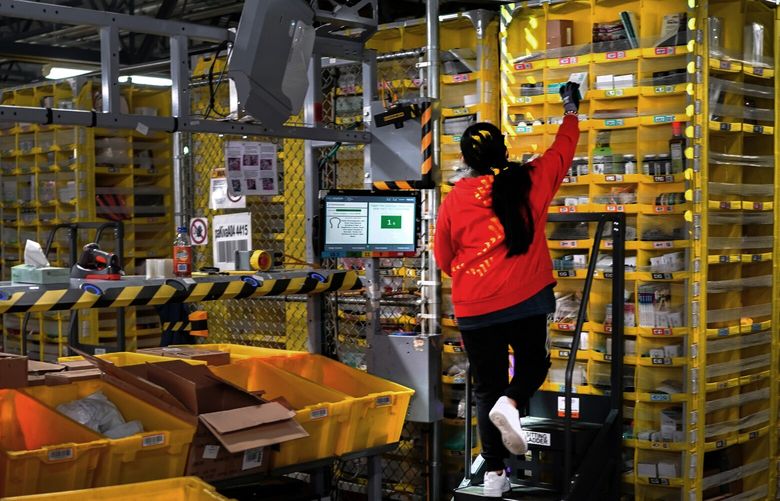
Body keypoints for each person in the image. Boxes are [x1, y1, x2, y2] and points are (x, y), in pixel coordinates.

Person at [434, 81, 581, 497]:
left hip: (474, 306)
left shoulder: (455, 199)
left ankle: (496, 476)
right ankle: (513, 403)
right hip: (526, 298)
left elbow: (443, 257)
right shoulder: (531, 180)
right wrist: (570, 109)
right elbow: (563, 148)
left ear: (466, 159)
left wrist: (468, 274)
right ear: (503, 150)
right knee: (533, 365)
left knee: (486, 385)